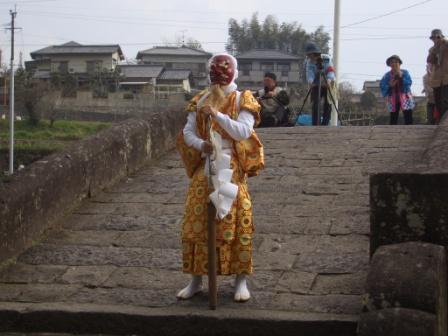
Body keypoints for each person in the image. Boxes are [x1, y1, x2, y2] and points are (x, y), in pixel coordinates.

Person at [176, 53, 263, 302]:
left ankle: (241, 280)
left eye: (224, 71)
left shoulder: (241, 99)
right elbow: (187, 132)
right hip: (205, 169)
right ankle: (196, 279)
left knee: (237, 222)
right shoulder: (201, 99)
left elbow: (243, 131)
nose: (220, 78)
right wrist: (201, 144)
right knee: (197, 222)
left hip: (232, 170)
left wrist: (216, 115)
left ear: (233, 73)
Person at [304, 42, 336, 126]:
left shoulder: (326, 59)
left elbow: (330, 71)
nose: (309, 57)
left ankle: (325, 123)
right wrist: (311, 82)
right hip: (316, 84)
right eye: (308, 55)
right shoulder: (309, 62)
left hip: (328, 83)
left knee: (328, 104)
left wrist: (328, 80)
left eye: (310, 54)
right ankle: (315, 124)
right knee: (315, 103)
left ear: (315, 53)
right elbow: (309, 73)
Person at [380, 55, 415, 125]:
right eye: (392, 62)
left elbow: (409, 82)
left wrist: (401, 77)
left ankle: (410, 130)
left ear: (399, 63)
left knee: (408, 115)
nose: (394, 64)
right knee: (393, 116)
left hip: (405, 97)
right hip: (393, 97)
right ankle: (392, 132)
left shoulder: (405, 72)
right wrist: (389, 85)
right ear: (389, 64)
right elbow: (382, 85)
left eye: (396, 62)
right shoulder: (386, 75)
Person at [426, 29, 448, 123]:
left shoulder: (446, 45)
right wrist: (435, 48)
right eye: (433, 38)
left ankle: (445, 121)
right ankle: (441, 120)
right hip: (436, 80)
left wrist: (443, 41)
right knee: (438, 102)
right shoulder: (432, 49)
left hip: (447, 77)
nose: (435, 39)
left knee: (445, 100)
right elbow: (430, 60)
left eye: (437, 37)